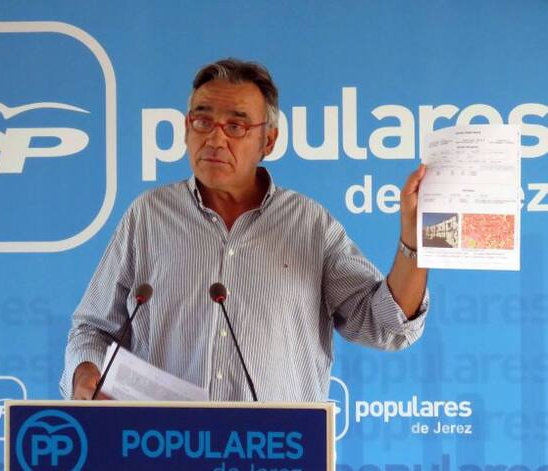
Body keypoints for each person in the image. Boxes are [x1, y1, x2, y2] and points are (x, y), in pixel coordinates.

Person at [60, 58, 429, 402]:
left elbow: (387, 325)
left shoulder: (310, 225)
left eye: (235, 126)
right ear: (187, 128)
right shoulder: (148, 217)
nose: (215, 139)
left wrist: (414, 239)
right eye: (203, 121)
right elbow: (92, 329)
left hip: (276, 447)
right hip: (165, 442)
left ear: (268, 141)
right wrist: (86, 372)